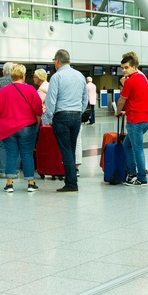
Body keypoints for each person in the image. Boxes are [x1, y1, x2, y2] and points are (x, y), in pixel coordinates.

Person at [43, 49, 87, 192]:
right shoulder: (80, 75)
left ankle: (72, 183)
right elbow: (84, 99)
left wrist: (49, 118)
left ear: (57, 61)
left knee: (66, 151)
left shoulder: (57, 77)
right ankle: (71, 180)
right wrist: (78, 112)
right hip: (76, 116)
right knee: (71, 150)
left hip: (61, 117)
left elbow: (51, 100)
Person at [0, 63, 43, 193]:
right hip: (27, 127)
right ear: (23, 75)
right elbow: (38, 109)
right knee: (27, 154)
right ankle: (31, 183)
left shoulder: (3, 91)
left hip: (8, 128)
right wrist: (37, 123)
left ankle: (9, 184)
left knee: (11, 154)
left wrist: (5, 122)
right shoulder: (31, 90)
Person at [115, 51, 148, 187]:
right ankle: (132, 173)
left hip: (135, 120)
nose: (124, 70)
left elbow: (121, 101)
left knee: (138, 149)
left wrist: (118, 112)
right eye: (122, 68)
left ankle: (141, 178)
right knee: (127, 145)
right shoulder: (143, 78)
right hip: (146, 119)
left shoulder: (130, 81)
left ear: (134, 67)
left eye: (126, 68)